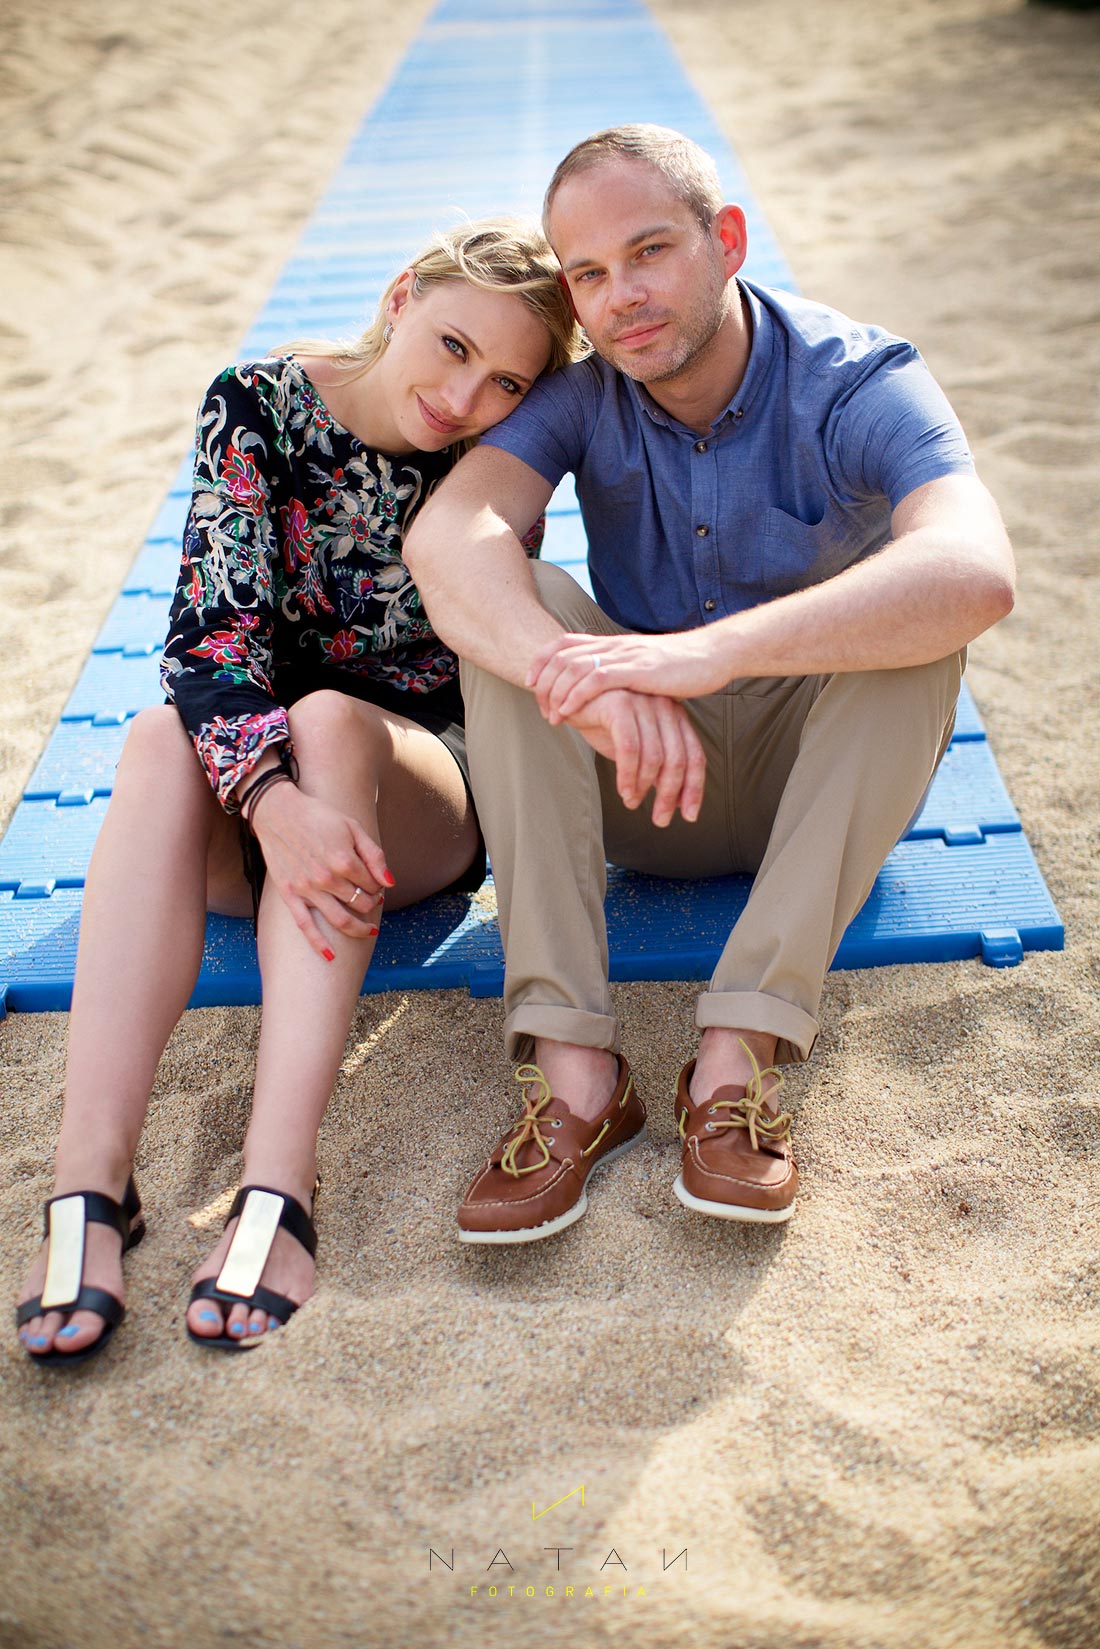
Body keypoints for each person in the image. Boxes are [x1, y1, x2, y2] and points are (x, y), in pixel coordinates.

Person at [402, 125, 1016, 1242]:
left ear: (723, 240)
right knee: (516, 595)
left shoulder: (856, 375)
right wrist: (575, 674)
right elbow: (452, 537)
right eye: (587, 274)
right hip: (650, 781)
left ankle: (735, 1060)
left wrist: (715, 651)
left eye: (648, 252)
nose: (619, 296)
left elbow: (974, 568)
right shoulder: (586, 396)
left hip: (813, 789)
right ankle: (577, 1075)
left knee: (916, 616)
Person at [15, 218, 581, 1364]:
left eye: (505, 379)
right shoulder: (258, 403)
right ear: (399, 295)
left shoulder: (497, 456)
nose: (465, 393)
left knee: (327, 717)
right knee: (151, 740)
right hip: (259, 802)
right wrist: (269, 800)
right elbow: (207, 638)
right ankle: (91, 1184)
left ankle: (279, 1184)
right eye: (453, 344)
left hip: (413, 800)